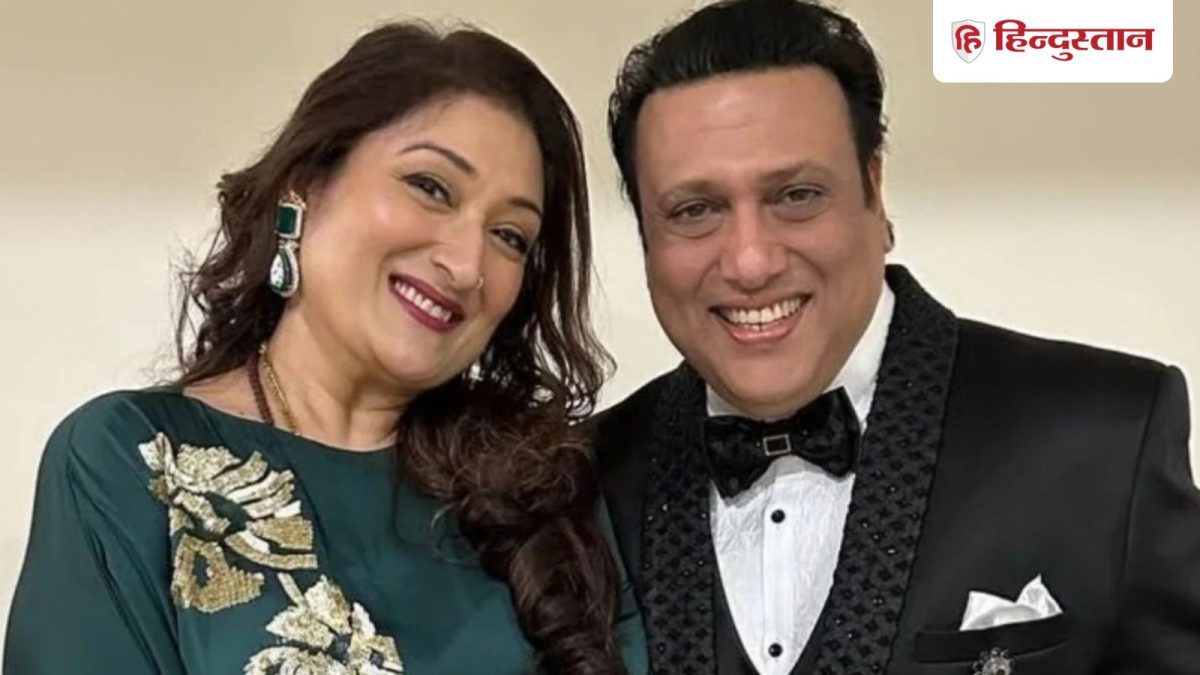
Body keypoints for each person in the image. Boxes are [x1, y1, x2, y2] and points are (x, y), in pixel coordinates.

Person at [5, 20, 647, 675]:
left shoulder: (546, 497)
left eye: (509, 235)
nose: (465, 264)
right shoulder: (130, 461)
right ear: (307, 187)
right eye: (430, 187)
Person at [593, 1, 1200, 674]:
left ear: (874, 191)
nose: (750, 262)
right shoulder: (582, 482)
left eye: (796, 195)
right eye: (694, 210)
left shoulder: (1107, 436)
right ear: (646, 237)